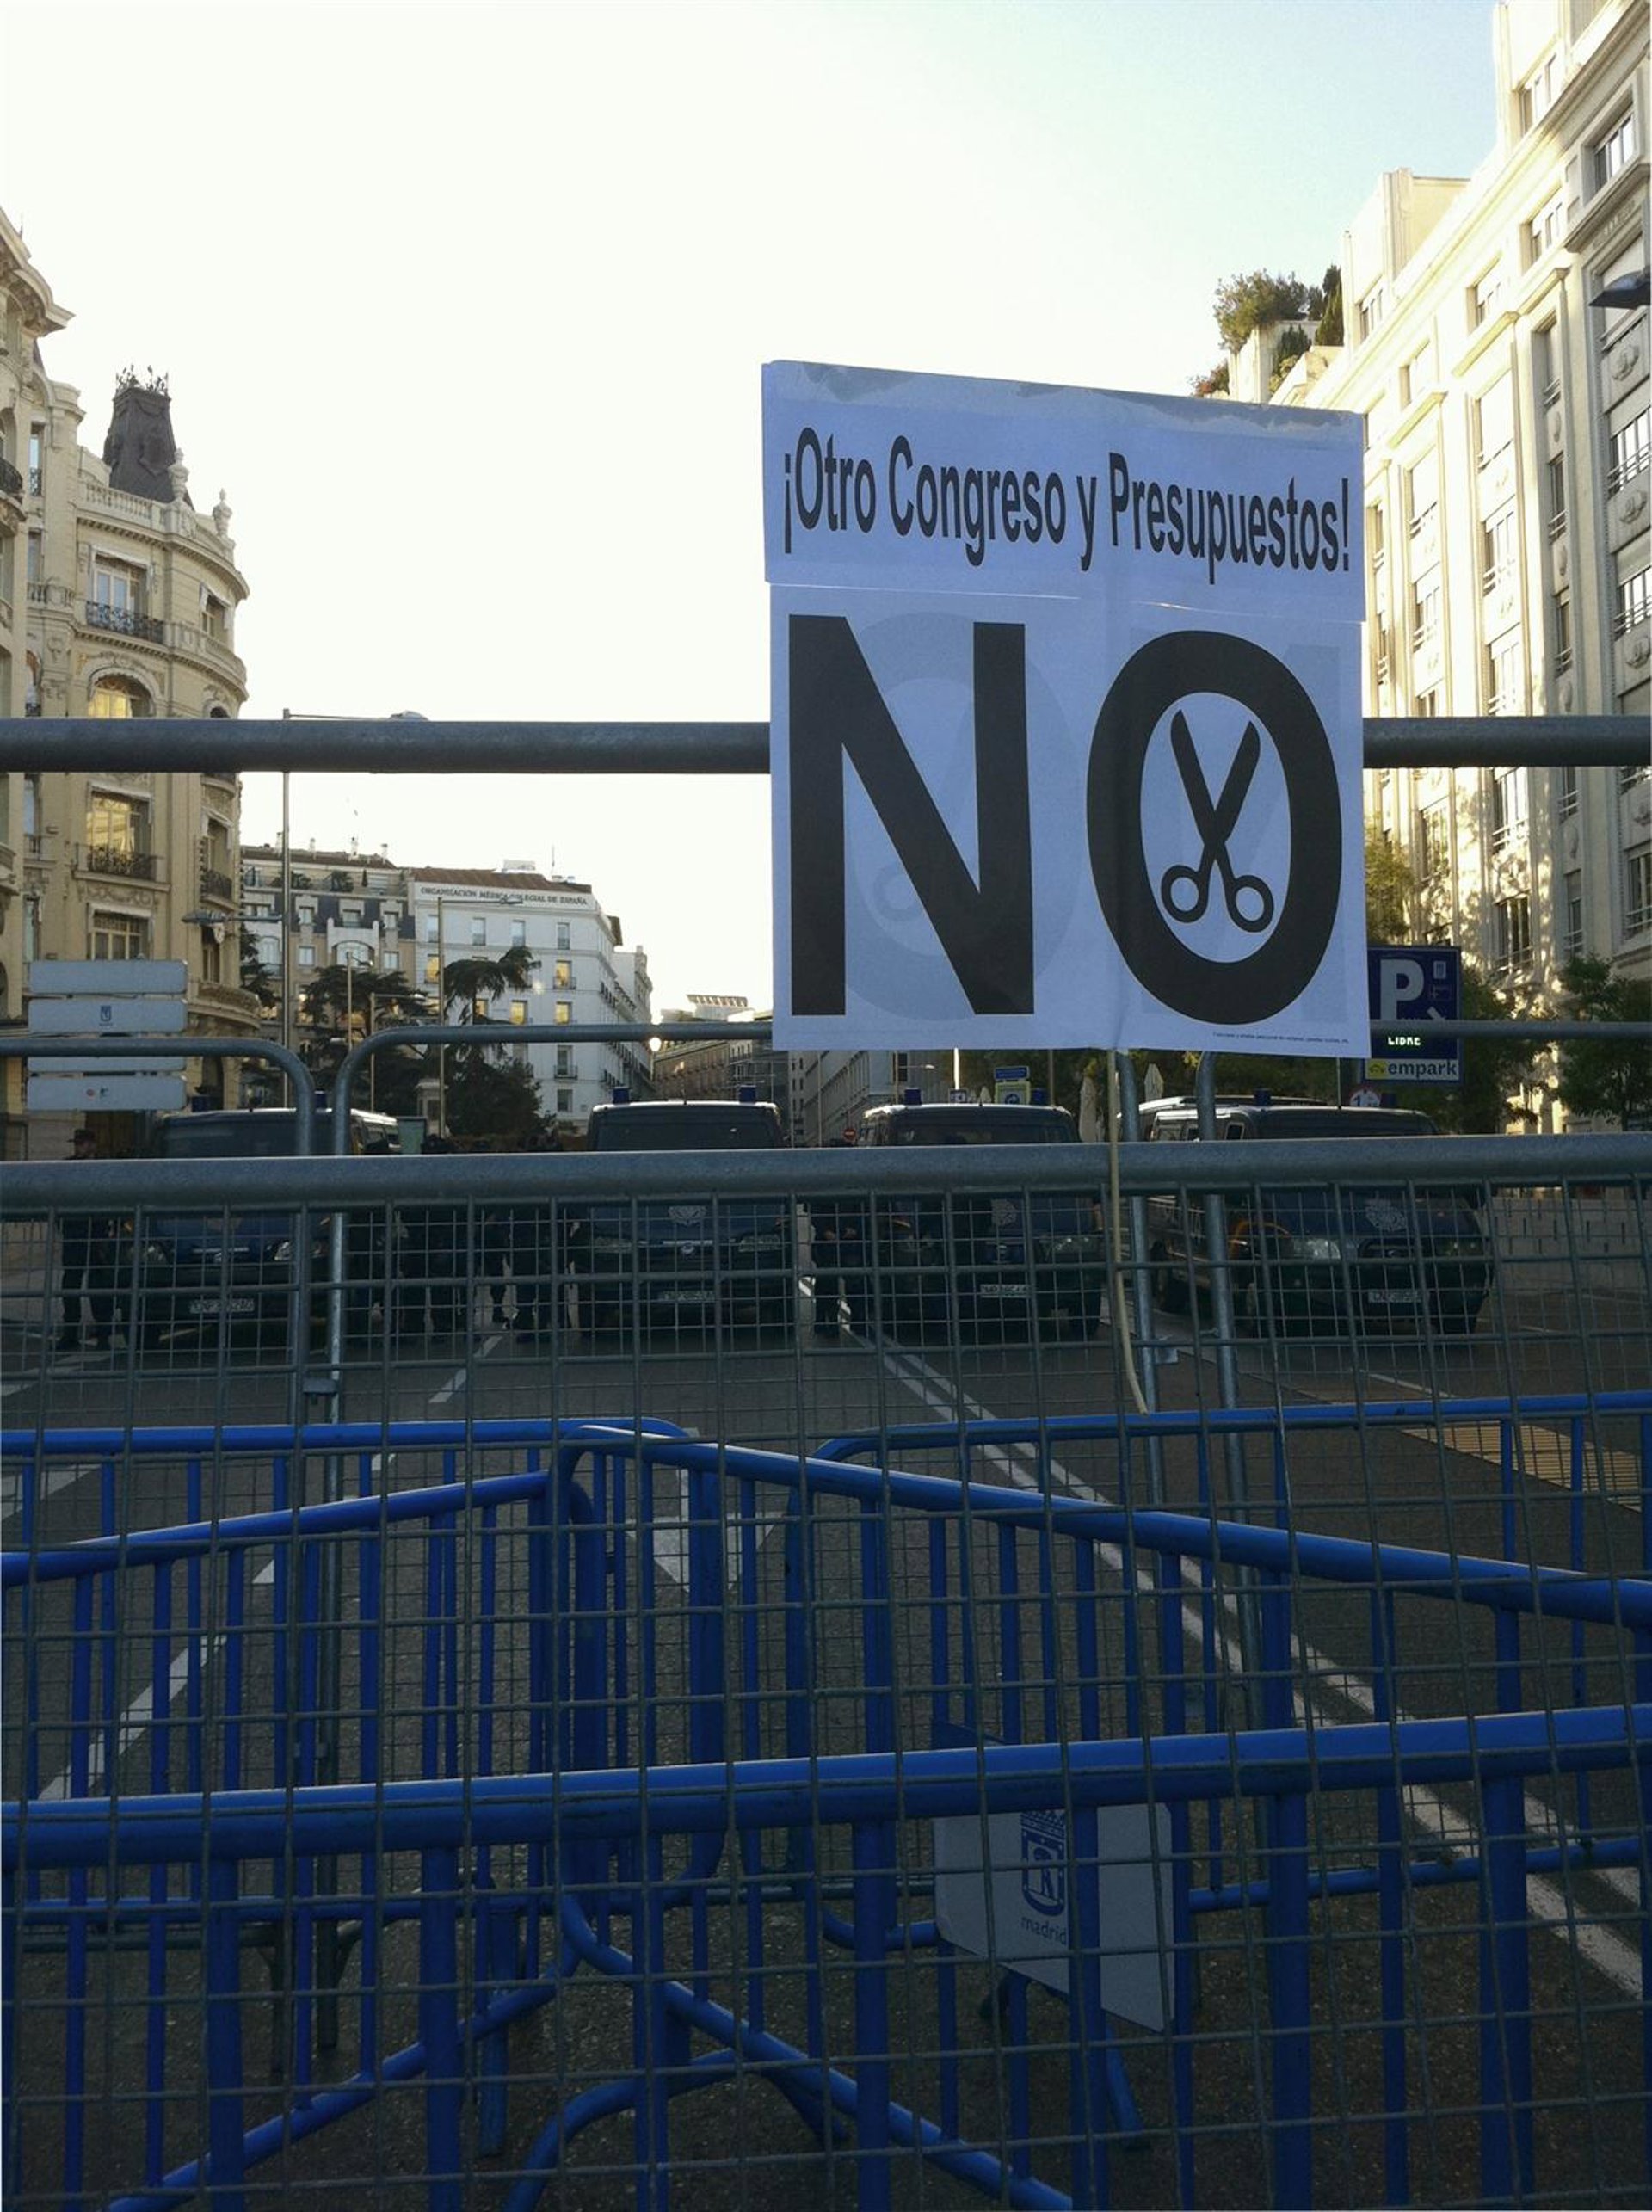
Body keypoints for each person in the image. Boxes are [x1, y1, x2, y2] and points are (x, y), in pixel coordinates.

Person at [58, 1127, 115, 1353]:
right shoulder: (68, 1167)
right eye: (77, 1144)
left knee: (98, 1287)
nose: (78, 1148)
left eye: (81, 1144)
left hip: (96, 1236)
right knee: (71, 1287)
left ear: (92, 1145)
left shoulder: (102, 1168)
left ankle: (103, 1336)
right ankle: (70, 1334)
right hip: (75, 1235)